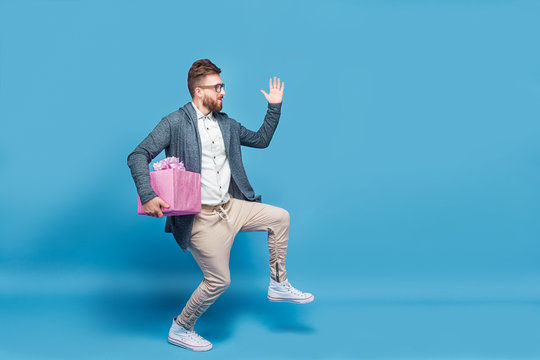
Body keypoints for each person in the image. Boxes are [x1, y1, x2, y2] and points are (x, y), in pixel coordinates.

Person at [127, 59, 313, 352]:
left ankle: (278, 283)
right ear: (199, 92)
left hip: (232, 207)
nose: (223, 91)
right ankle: (181, 327)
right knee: (219, 281)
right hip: (201, 218)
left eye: (222, 86)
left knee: (280, 218)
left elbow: (261, 140)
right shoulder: (175, 122)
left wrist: (274, 107)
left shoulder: (227, 124)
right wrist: (148, 194)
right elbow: (138, 155)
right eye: (217, 87)